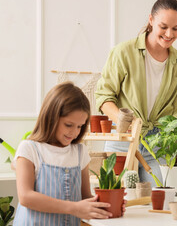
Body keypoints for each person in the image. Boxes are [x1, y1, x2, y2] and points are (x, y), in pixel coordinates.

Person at [95, 0, 177, 186]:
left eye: (176, 28)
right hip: (122, 138)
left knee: (159, 201)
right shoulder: (123, 52)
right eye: (163, 26)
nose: (169, 34)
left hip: (159, 143)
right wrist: (125, 121)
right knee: (117, 200)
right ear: (151, 20)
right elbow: (104, 97)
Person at [13, 82, 124, 225]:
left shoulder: (79, 152)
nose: (75, 132)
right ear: (51, 117)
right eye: (68, 125)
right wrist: (74, 208)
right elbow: (26, 197)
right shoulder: (29, 149)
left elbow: (85, 197)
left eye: (80, 126)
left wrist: (110, 205)